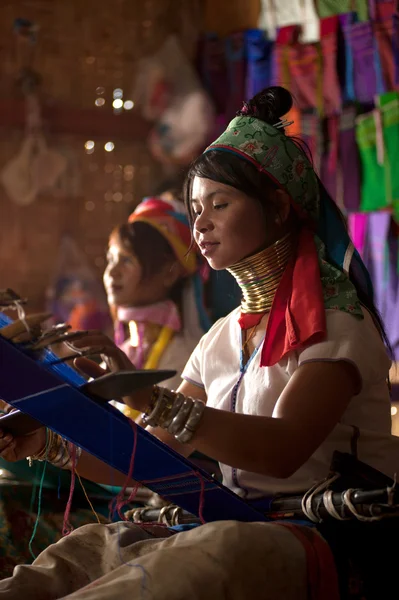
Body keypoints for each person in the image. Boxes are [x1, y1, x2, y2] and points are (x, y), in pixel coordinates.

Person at [0, 86, 398, 599]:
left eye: (220, 203)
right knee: (84, 550)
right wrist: (50, 443)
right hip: (229, 524)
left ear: (278, 207)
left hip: (319, 533)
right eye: (195, 207)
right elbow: (147, 459)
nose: (202, 223)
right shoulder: (220, 337)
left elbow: (283, 452)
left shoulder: (338, 323)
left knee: (198, 560)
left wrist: (149, 399)